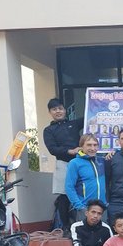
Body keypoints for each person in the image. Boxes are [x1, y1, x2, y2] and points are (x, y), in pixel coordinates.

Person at [42, 97, 82, 233]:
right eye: (54, 109)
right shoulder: (48, 130)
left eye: (60, 108)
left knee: (82, 192)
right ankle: (65, 227)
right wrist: (69, 151)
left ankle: (82, 223)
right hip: (63, 164)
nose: (58, 111)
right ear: (50, 112)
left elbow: (91, 117)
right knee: (64, 196)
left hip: (79, 164)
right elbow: (52, 149)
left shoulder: (74, 124)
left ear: (65, 110)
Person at [65, 133, 106, 223]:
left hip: (102, 209)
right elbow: (69, 187)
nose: (92, 148)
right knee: (84, 236)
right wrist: (79, 206)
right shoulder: (75, 163)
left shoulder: (102, 161)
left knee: (103, 236)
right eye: (89, 145)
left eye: (95, 145)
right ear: (81, 146)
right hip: (85, 208)